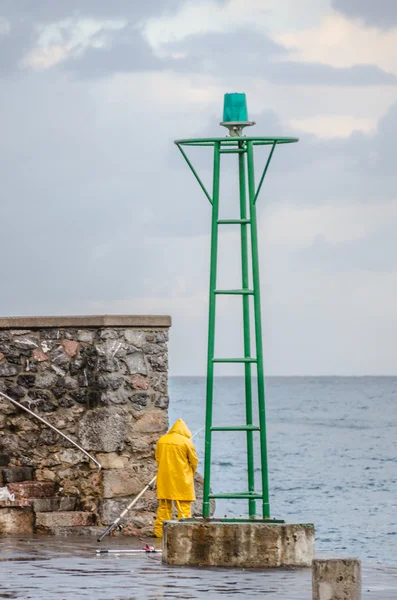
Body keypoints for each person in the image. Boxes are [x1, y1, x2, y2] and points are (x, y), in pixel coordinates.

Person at [154, 418, 198, 538]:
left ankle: (159, 532)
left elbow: (158, 458)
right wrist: (191, 473)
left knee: (164, 507)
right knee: (183, 508)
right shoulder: (186, 442)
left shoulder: (162, 440)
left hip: (165, 478)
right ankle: (184, 533)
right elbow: (194, 461)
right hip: (181, 479)